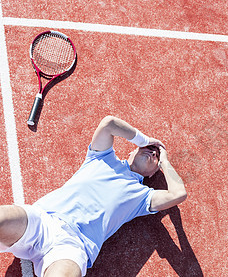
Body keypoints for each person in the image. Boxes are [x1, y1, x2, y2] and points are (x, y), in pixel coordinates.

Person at [0, 116, 187, 276]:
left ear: (153, 174)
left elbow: (178, 194)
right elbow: (108, 123)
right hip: (42, 220)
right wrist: (144, 139)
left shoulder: (143, 196)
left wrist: (165, 161)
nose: (153, 152)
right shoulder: (101, 158)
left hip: (72, 246)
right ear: (133, 150)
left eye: (156, 157)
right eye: (150, 148)